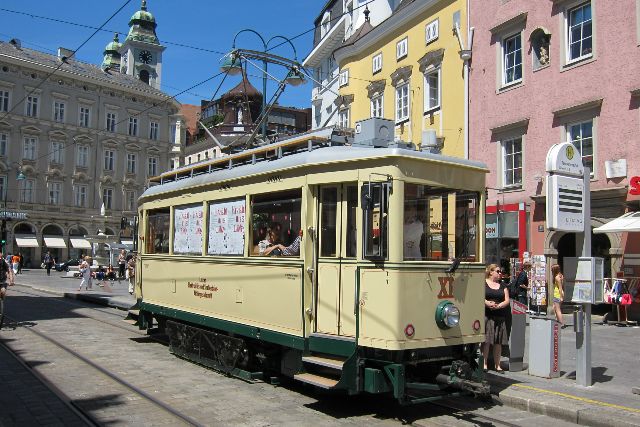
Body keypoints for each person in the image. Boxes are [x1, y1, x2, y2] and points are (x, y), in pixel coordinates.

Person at [483, 264, 510, 372]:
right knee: (486, 341)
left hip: (500, 316)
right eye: (498, 271)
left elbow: (507, 300)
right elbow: (479, 296)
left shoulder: (502, 285)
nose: (500, 273)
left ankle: (497, 365)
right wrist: (487, 303)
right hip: (488, 316)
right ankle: (484, 364)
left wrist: (499, 305)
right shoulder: (484, 283)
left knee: (498, 342)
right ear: (491, 272)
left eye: (500, 272)